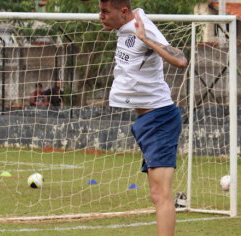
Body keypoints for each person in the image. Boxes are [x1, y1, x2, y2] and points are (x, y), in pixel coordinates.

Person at [98, 1, 187, 235]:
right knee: (157, 194)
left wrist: (145, 38)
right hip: (150, 121)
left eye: (105, 12)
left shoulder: (142, 26)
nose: (100, 16)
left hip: (160, 119)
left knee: (161, 195)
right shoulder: (126, 22)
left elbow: (180, 60)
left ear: (123, 12)